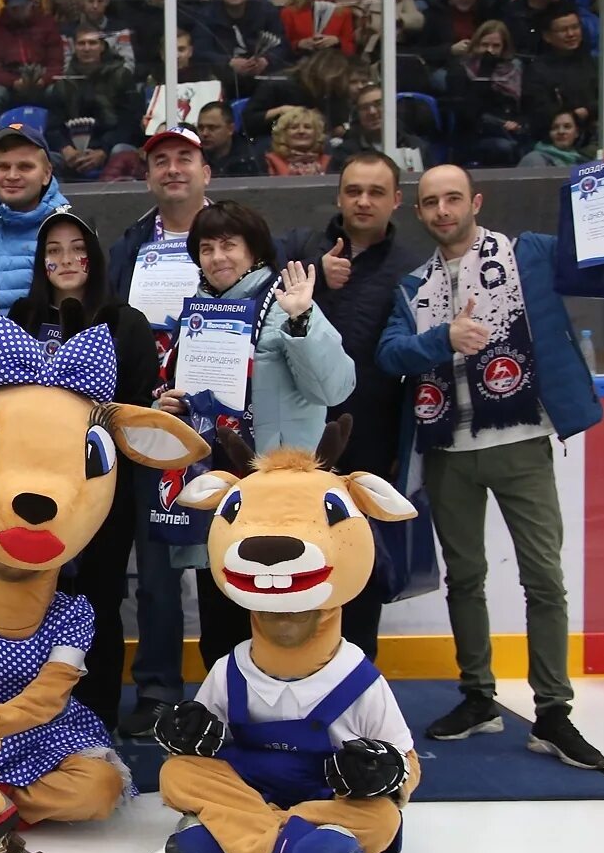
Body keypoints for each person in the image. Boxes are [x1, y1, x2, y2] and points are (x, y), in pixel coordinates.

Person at [375, 160, 604, 769]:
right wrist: (441, 340)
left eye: (453, 199)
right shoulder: (413, 284)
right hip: (449, 448)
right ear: (419, 211)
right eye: (431, 203)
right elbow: (391, 353)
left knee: (543, 578)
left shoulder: (526, 253)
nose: (443, 212)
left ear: (476, 202)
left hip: (521, 438)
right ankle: (478, 697)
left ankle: (553, 711)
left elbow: (600, 250)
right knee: (466, 578)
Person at [168, 200, 354, 671]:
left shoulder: (284, 307)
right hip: (224, 494)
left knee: (288, 617)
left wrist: (301, 322)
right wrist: (166, 404)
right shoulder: (197, 318)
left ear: (253, 252)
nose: (217, 257)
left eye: (229, 244)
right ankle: (229, 720)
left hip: (281, 497)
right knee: (221, 619)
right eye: (206, 248)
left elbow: (336, 386)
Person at [7, 211, 157, 731]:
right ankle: (30, 715)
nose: (66, 260)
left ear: (95, 256)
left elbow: (136, 407)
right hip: (28, 486)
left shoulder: (125, 322)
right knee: (32, 596)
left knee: (98, 599)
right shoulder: (20, 319)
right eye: (54, 249)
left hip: (100, 492)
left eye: (78, 248)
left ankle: (96, 717)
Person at [276, 151, 422, 658]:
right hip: (295, 438)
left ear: (396, 201)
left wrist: (406, 443)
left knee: (357, 557)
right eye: (354, 190)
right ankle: (288, 663)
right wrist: (319, 277)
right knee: (292, 554)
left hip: (371, 439)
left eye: (376, 192)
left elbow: (411, 362)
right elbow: (254, 303)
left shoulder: (411, 269)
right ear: (338, 195)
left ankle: (356, 671)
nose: (363, 201)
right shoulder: (298, 248)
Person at [105, 125, 210, 734]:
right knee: (152, 565)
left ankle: (201, 684)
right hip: (145, 428)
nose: (173, 169)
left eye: (185, 159)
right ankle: (143, 688)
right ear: (147, 177)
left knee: (207, 565)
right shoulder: (130, 245)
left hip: (221, 427)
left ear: (206, 171)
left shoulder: (233, 236)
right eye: (161, 161)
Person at [0, 124, 71, 314]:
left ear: (46, 174)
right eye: (3, 166)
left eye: (25, 167)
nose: (12, 176)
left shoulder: (68, 235)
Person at [44, 26, 139, 182]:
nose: (87, 48)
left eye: (92, 43)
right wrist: (66, 149)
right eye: (82, 43)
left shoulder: (121, 76)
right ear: (74, 47)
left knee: (120, 151)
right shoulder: (64, 81)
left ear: (102, 46)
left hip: (109, 148)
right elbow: (54, 125)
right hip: (73, 154)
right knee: (43, 160)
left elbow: (128, 123)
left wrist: (103, 150)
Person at [0, 0, 64, 135]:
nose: (18, 11)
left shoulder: (46, 24)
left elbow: (56, 61)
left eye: (22, 6)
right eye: (14, 8)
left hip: (41, 80)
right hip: (10, 83)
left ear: (31, 3)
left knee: (59, 92)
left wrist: (44, 79)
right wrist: (13, 82)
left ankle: (60, 144)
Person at [192, 0, 292, 100]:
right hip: (223, 80)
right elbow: (201, 51)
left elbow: (283, 45)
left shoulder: (267, 12)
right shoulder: (206, 15)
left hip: (263, 78)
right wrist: (229, 62)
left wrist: (266, 60)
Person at [450, 20, 529, 167]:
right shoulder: (460, 69)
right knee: (504, 148)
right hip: (475, 133)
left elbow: (526, 104)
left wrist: (518, 122)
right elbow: (467, 113)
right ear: (476, 44)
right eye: (485, 45)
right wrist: (484, 73)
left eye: (496, 46)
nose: (490, 51)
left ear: (504, 48)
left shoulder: (516, 69)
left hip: (512, 129)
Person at [522, 4, 597, 137]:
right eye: (563, 30)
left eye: (575, 27)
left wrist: (588, 111)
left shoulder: (595, 63)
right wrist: (573, 115)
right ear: (547, 36)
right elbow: (539, 112)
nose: (571, 34)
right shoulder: (537, 71)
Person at [330, 84, 430, 172]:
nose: (372, 112)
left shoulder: (415, 146)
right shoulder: (345, 153)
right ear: (357, 115)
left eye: (378, 104)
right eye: (365, 108)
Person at [195, 100, 259, 177]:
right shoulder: (193, 156)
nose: (204, 133)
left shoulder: (249, 160)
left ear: (230, 129)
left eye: (212, 128)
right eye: (200, 128)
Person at [516, 108, 595, 167]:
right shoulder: (534, 159)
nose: (561, 131)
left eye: (567, 127)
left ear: (577, 133)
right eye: (555, 127)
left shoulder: (585, 163)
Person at [264, 106, 331, 176]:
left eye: (307, 127)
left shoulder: (330, 162)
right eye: (294, 127)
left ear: (316, 134)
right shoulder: (270, 161)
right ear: (283, 134)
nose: (301, 131)